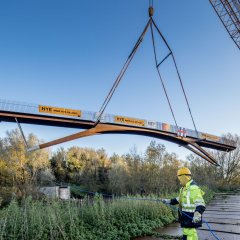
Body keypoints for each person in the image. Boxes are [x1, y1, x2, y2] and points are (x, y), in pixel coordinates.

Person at [163, 167, 206, 240]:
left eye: (179, 177)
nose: (179, 180)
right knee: (189, 233)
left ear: (184, 177)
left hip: (191, 217)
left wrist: (197, 215)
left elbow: (201, 204)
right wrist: (169, 201)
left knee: (189, 235)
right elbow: (179, 199)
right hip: (186, 217)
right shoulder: (184, 188)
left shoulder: (193, 188)